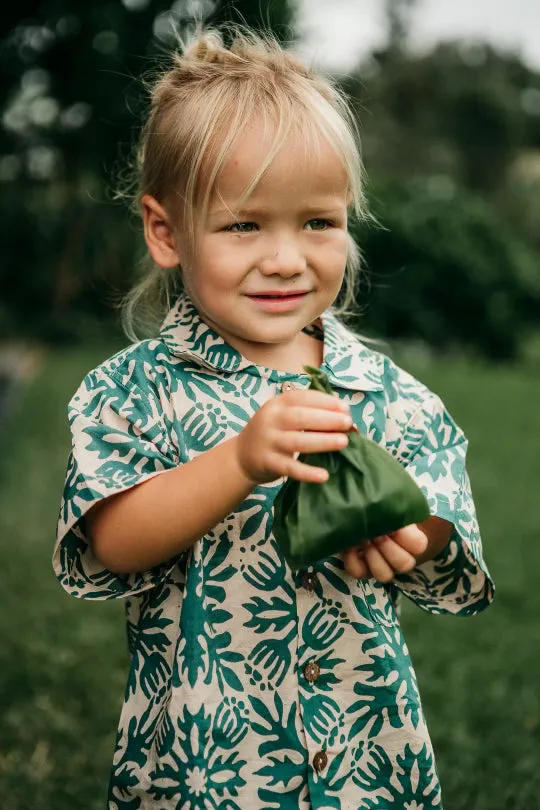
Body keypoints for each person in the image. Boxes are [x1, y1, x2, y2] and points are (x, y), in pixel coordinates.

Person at [53, 27, 494, 810]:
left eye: (318, 222)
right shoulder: (133, 392)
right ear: (166, 231)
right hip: (210, 755)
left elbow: (444, 528)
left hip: (361, 742)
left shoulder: (385, 392)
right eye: (244, 225)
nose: (287, 258)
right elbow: (112, 542)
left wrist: (406, 534)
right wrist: (236, 463)